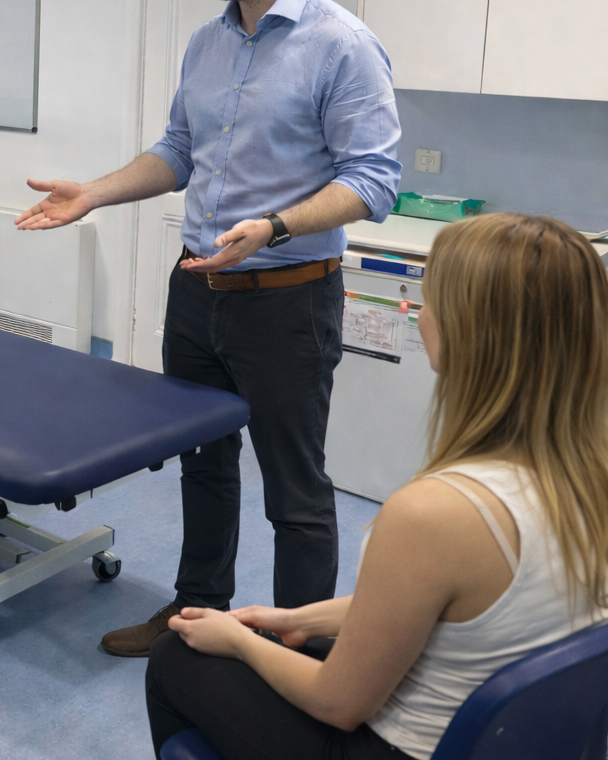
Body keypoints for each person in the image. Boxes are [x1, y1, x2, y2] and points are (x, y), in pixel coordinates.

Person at [17, 0, 401, 657]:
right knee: (202, 459)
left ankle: (301, 652)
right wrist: (94, 192)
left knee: (295, 491)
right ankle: (197, 618)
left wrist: (278, 225)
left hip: (288, 297)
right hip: (197, 292)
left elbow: (373, 182)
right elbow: (179, 152)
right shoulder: (207, 43)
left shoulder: (342, 45)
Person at [145, 213, 608, 759]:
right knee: (294, 641)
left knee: (177, 657)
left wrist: (242, 644)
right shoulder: (584, 472)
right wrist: (294, 618)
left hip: (399, 747)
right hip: (521, 741)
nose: (423, 314)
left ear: (466, 332)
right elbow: (446, 605)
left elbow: (339, 703)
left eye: (430, 298)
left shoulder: (436, 513)